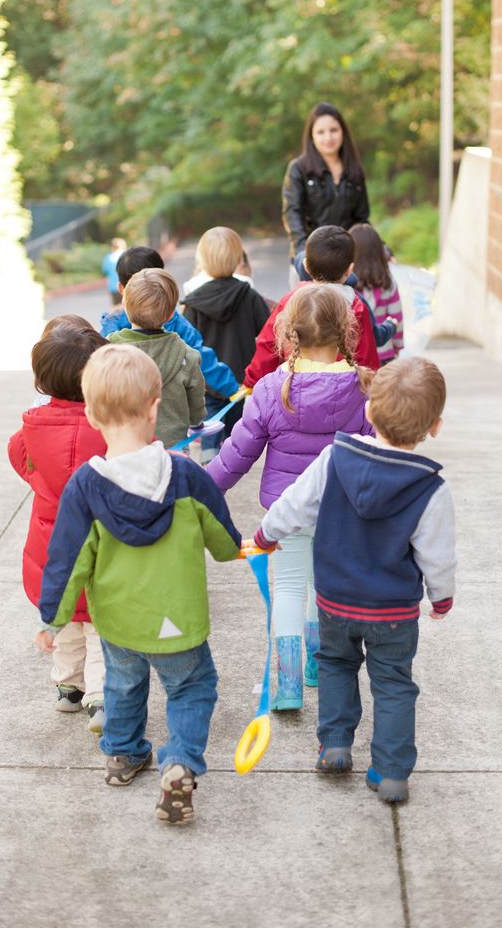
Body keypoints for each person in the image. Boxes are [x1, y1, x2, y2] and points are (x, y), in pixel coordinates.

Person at [35, 344, 242, 824]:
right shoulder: (186, 475)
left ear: (91, 415)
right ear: (154, 408)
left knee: (123, 685)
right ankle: (180, 761)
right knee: (192, 687)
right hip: (178, 620)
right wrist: (235, 549)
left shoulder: (85, 486)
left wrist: (52, 619)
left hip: (118, 622)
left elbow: (66, 560)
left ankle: (123, 754)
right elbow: (221, 534)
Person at [246, 358, 456, 804]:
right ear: (434, 426)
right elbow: (437, 554)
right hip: (393, 610)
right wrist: (441, 597)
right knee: (393, 684)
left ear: (369, 411)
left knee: (337, 665)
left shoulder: (335, 458)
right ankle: (392, 772)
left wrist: (266, 535)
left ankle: (336, 745)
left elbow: (294, 504)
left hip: (336, 599)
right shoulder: (430, 488)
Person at [207, 284, 373, 710]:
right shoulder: (363, 388)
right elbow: (377, 453)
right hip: (341, 513)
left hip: (286, 513)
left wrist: (203, 488)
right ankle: (318, 665)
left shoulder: (270, 389)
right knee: (322, 588)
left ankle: (288, 685)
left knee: (288, 590)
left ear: (289, 333)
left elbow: (237, 454)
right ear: (345, 331)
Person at [8, 319, 108, 732]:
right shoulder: (108, 425)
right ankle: (101, 698)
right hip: (101, 547)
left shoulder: (33, 425)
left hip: (51, 548)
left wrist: (41, 481)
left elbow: (18, 455)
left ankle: (68, 688)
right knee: (99, 625)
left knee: (65, 620)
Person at [243, 225, 380, 389]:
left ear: (306, 266)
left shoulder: (290, 301)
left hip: (293, 390)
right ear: (349, 270)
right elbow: (366, 359)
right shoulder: (356, 307)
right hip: (340, 393)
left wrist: (251, 380)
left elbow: (268, 346)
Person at [101, 246, 239, 403]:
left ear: (121, 288)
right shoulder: (175, 323)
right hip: (172, 406)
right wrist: (232, 388)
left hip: (127, 405)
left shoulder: (111, 326)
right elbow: (202, 360)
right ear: (164, 282)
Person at [182, 227, 271, 463]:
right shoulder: (249, 295)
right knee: (236, 427)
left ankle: (209, 460)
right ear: (238, 258)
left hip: (207, 379)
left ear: (202, 260)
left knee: (210, 423)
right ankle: (232, 461)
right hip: (239, 380)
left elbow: (186, 344)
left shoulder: (194, 303)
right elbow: (267, 332)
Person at [106, 269, 205, 448]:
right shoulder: (187, 355)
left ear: (124, 306)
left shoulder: (109, 351)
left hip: (126, 446)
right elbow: (196, 402)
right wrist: (197, 420)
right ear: (170, 315)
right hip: (174, 447)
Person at [282, 102, 369, 284]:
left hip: (343, 264)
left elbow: (361, 219)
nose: (328, 137)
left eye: (333, 130)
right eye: (321, 132)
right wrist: (305, 256)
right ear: (311, 136)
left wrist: (381, 248)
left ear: (343, 132)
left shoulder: (355, 170)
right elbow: (292, 214)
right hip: (308, 262)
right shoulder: (298, 168)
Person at [350, 224, 404, 363]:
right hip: (384, 353)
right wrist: (398, 345)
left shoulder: (348, 287)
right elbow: (396, 317)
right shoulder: (388, 283)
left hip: (356, 355)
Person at [102, 238, 127, 305]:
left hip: (113, 286)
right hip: (125, 286)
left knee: (116, 307)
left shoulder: (109, 257)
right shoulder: (127, 256)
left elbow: (104, 270)